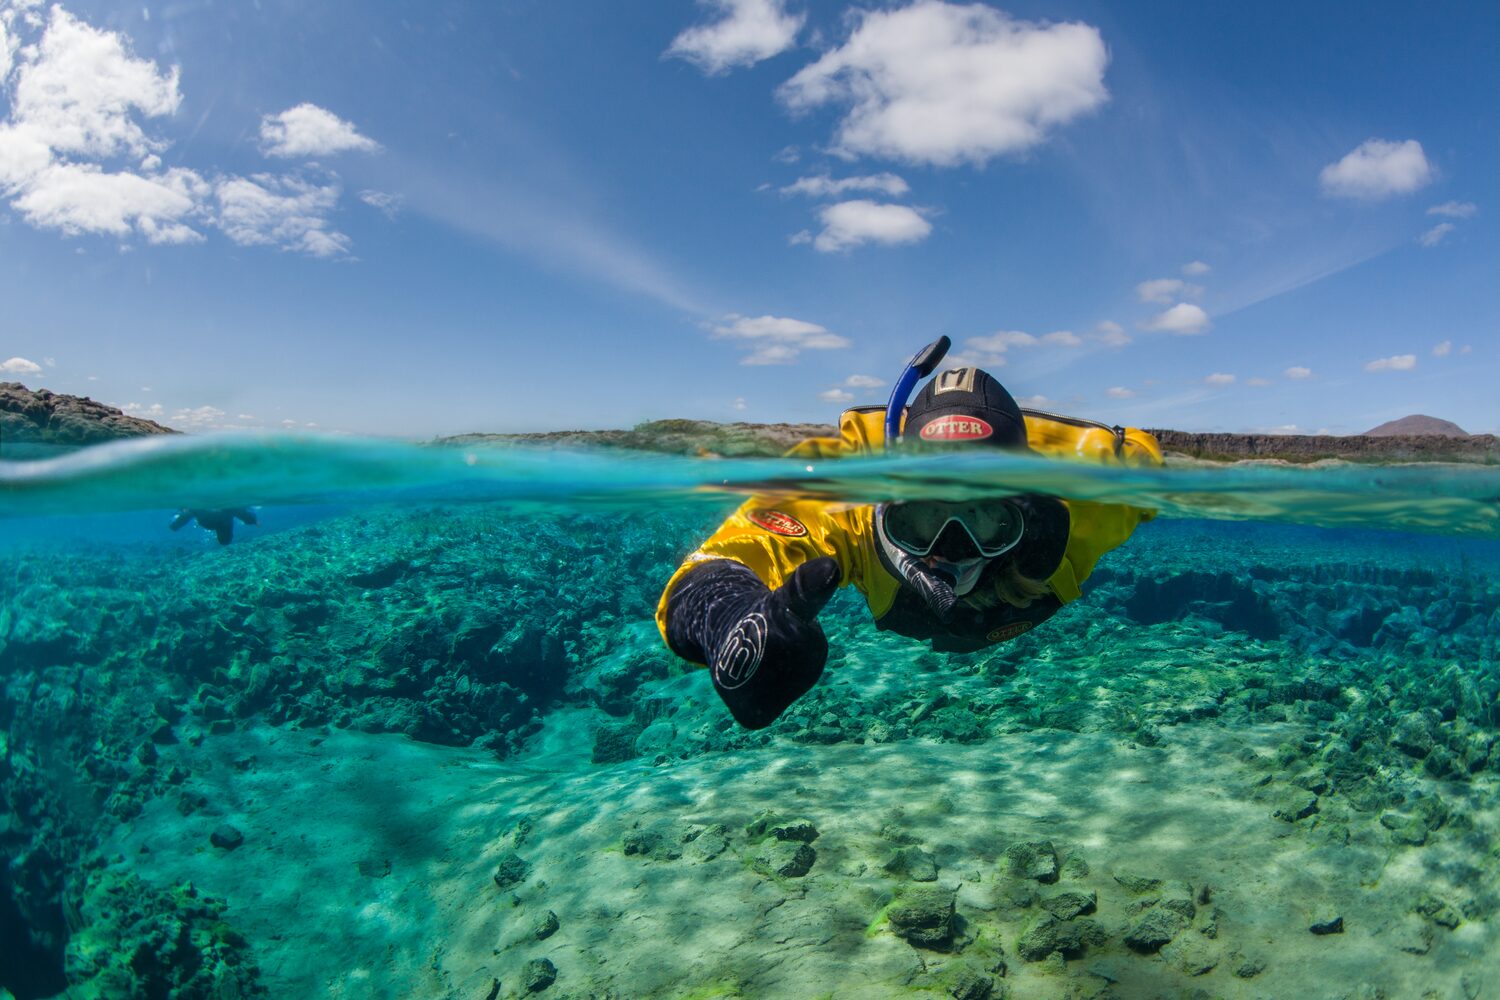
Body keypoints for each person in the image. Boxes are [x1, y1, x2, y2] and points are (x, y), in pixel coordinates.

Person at [655, 338, 1163, 730]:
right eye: (922, 519)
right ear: (887, 506)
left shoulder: (1093, 500)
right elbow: (732, 552)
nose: (953, 550)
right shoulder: (847, 497)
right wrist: (726, 616)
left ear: (1028, 517)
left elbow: (1148, 471)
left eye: (986, 520)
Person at [169, 507, 258, 545]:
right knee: (225, 541)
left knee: (225, 542)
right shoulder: (196, 508)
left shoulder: (227, 507)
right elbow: (187, 515)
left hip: (222, 522)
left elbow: (239, 512)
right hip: (218, 522)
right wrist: (175, 525)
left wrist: (252, 520)